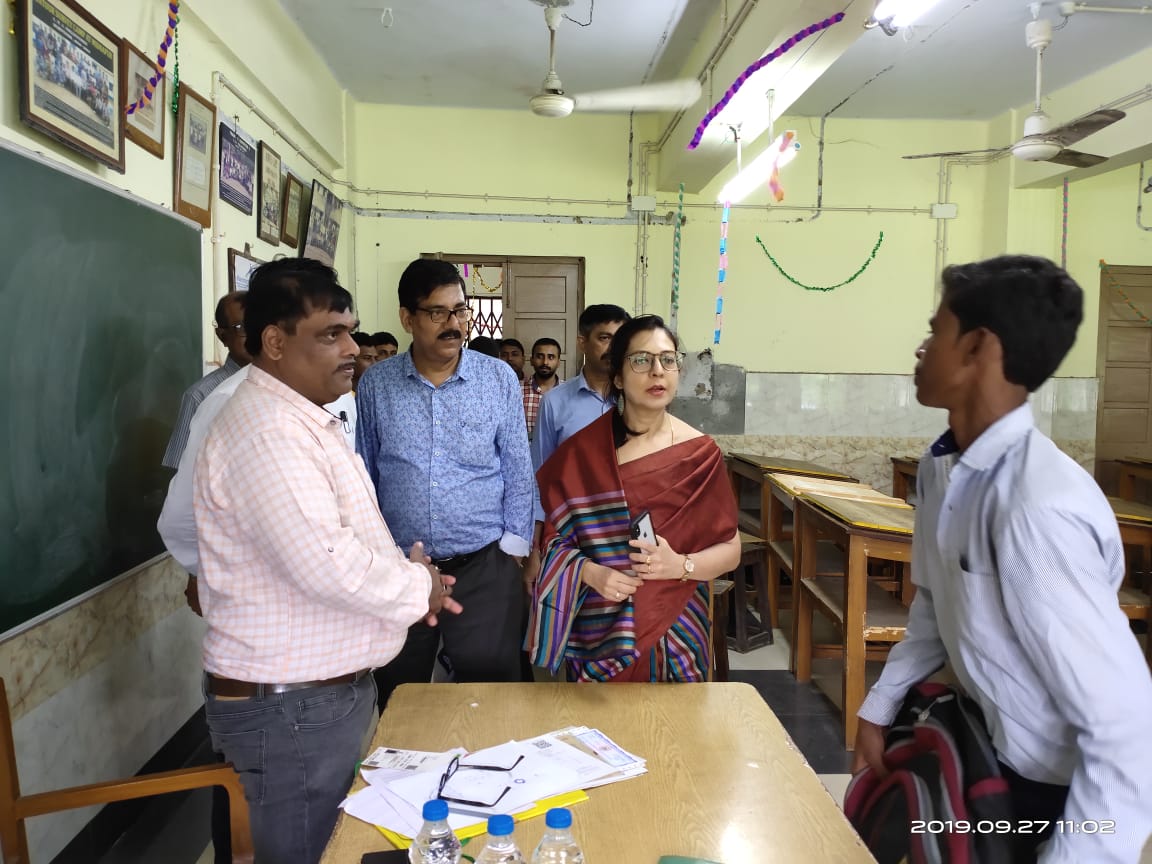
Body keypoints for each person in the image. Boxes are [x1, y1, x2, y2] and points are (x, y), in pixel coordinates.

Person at [852, 256, 1152, 864]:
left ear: (976, 349)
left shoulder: (1035, 507)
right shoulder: (943, 468)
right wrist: (879, 707)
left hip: (1056, 787)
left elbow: (1126, 730)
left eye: (935, 329)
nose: (920, 347)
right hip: (991, 743)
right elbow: (935, 605)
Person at [194, 258, 461, 864]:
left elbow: (345, 538)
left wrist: (408, 572)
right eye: (331, 334)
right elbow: (330, 564)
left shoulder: (303, 418)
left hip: (314, 701)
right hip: (290, 708)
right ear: (274, 341)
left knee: (329, 845)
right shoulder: (267, 432)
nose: (351, 348)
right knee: (306, 853)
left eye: (351, 332)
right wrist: (419, 588)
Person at [356, 258, 534, 709]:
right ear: (407, 317)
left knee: (491, 690)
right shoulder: (378, 384)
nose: (454, 324)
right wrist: (374, 554)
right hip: (401, 566)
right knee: (399, 691)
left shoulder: (497, 379)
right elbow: (366, 470)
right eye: (438, 313)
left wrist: (514, 547)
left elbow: (517, 463)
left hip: (484, 564)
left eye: (461, 311)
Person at [527, 314, 740, 682]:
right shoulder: (583, 454)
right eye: (641, 360)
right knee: (599, 734)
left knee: (672, 734)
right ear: (618, 377)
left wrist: (681, 565)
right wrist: (589, 572)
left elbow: (730, 549)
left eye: (668, 359)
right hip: (600, 633)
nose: (657, 371)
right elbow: (552, 539)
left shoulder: (700, 455)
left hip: (678, 627)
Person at [526, 305, 630, 586]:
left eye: (620, 339)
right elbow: (540, 478)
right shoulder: (555, 402)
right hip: (570, 534)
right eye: (605, 338)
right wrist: (536, 549)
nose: (613, 347)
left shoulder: (636, 402)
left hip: (626, 534)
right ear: (582, 341)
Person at [161, 291, 250, 468]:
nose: (254, 336)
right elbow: (178, 467)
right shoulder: (200, 395)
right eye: (242, 328)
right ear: (222, 335)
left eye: (258, 325)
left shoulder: (286, 384)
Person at [522, 337, 563, 440]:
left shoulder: (568, 392)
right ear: (531, 360)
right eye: (540, 356)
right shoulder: (517, 390)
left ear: (558, 362)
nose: (545, 362)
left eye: (551, 357)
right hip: (526, 454)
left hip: (559, 454)